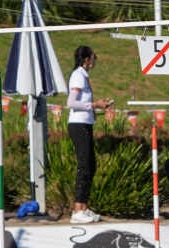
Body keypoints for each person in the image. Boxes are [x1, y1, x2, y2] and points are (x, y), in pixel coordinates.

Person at [67, 46, 112, 224]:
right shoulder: (78, 75)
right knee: (84, 166)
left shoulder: (83, 76)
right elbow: (71, 102)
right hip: (78, 125)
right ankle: (77, 209)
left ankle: (83, 207)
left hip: (85, 123)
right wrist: (95, 105)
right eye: (94, 57)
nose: (95, 60)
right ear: (86, 59)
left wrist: (98, 107)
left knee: (90, 165)